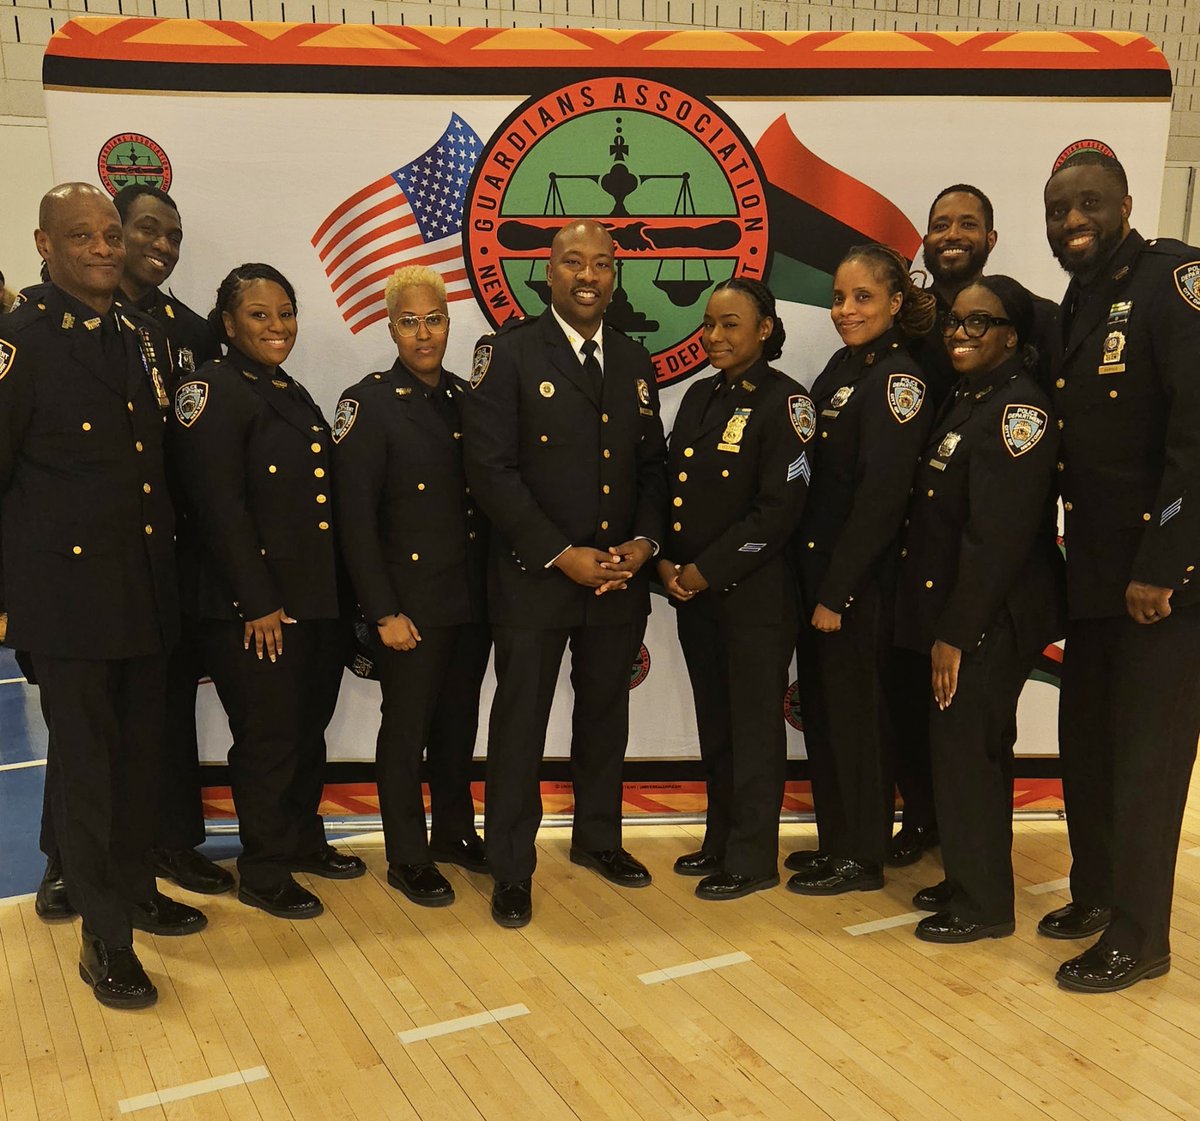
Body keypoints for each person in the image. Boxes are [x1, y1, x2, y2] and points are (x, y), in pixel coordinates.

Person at [0, 183, 205, 1010]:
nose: (103, 248)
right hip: (68, 602)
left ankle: (130, 894)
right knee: (89, 775)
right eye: (81, 235)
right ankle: (105, 940)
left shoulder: (141, 336)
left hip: (143, 594)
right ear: (44, 245)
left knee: (138, 769)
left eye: (110, 235)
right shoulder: (19, 343)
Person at [462, 219, 668, 928]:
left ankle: (598, 839)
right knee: (520, 726)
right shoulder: (507, 353)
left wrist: (643, 544)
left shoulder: (634, 359)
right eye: (574, 262)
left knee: (605, 716)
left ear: (615, 275)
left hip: (615, 578)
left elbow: (651, 466)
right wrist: (560, 553)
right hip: (536, 578)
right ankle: (511, 868)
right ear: (548, 273)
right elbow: (490, 470)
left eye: (602, 263)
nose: (589, 275)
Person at [1038, 141, 1200, 992]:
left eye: (1089, 203)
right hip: (1097, 574)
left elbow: (1194, 438)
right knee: (1091, 747)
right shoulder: (1081, 298)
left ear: (1127, 206)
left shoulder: (1173, 282)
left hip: (1161, 583)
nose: (1072, 220)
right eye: (1058, 209)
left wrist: (1164, 564)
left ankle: (1141, 938)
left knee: (1145, 764)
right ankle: (1099, 892)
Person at [170, 263, 362, 921]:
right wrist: (255, 601)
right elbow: (218, 508)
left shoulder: (284, 387)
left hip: (308, 601)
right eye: (259, 314)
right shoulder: (212, 390)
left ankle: (302, 839)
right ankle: (264, 868)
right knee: (268, 739)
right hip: (253, 610)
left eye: (285, 312)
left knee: (305, 730)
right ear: (227, 323)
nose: (277, 325)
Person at [888, 184, 1060, 869]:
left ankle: (980, 895)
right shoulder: (962, 388)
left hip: (990, 604)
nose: (961, 334)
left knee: (974, 745)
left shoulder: (1018, 404)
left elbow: (999, 536)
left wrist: (958, 629)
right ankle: (960, 872)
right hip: (943, 587)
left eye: (978, 325)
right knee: (948, 740)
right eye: (940, 224)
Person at [332, 266, 490, 907]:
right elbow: (355, 522)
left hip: (468, 603)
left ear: (448, 323)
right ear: (391, 328)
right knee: (405, 734)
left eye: (434, 319)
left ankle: (454, 832)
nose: (424, 334)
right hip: (409, 609)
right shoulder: (367, 404)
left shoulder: (467, 399)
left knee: (457, 728)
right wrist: (382, 612)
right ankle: (406, 854)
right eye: (409, 322)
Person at [786, 244, 937, 896]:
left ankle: (864, 855)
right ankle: (837, 842)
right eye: (839, 298)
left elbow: (880, 501)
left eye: (863, 297)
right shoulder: (842, 367)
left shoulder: (899, 380)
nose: (845, 310)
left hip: (860, 586)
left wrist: (837, 593)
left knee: (860, 722)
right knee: (825, 716)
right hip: (819, 576)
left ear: (896, 302)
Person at [658, 279, 812, 900]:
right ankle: (720, 839)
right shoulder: (699, 395)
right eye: (708, 324)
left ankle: (752, 856)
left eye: (730, 325)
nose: (714, 336)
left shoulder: (786, 401)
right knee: (716, 723)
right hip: (694, 593)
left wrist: (705, 570)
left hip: (754, 597)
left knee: (753, 729)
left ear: (764, 329)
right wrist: (668, 564)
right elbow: (675, 491)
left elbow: (778, 511)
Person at [116, 183, 229, 895]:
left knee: (168, 704)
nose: (162, 245)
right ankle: (70, 858)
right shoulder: (73, 322)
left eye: (174, 235)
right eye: (147, 229)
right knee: (88, 716)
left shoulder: (190, 332)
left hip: (174, 554)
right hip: (100, 554)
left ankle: (174, 842)